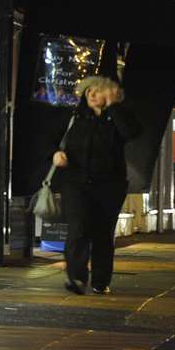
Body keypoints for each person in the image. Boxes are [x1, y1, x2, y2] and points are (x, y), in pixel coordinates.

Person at [51, 75, 144, 295]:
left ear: (111, 93)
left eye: (98, 90)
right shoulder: (74, 117)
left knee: (103, 233)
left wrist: (112, 108)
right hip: (76, 183)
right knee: (78, 229)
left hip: (109, 186)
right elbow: (51, 140)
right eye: (88, 90)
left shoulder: (118, 118)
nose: (91, 94)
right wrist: (55, 154)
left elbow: (131, 133)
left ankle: (101, 281)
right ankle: (77, 278)